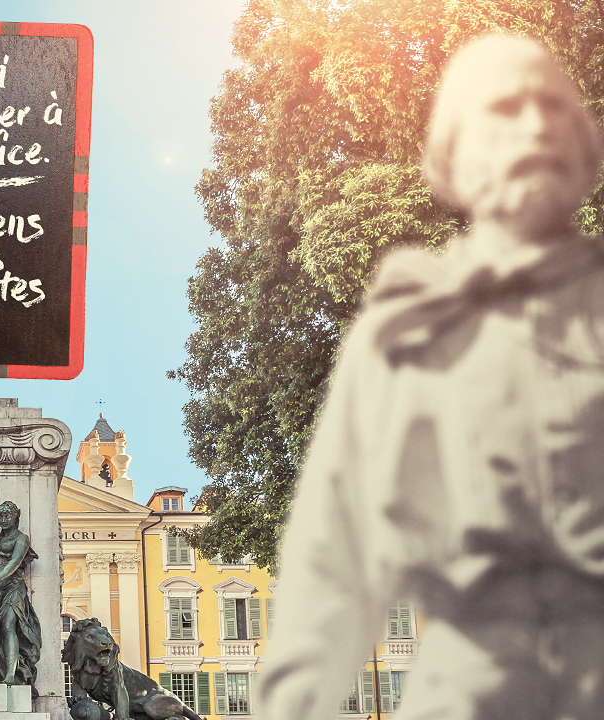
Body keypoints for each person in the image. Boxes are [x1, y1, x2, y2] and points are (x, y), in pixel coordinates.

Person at [259, 34, 604, 720]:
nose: (537, 126)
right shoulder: (407, 331)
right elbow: (333, 559)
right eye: (505, 108)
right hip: (469, 688)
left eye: (555, 107)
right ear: (454, 150)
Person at [0, 500, 42, 685]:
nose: (4, 519)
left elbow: (14, 562)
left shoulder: (21, 538)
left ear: (17, 516)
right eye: (0, 516)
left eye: (8, 515)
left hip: (13, 587)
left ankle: (11, 673)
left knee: (8, 624)